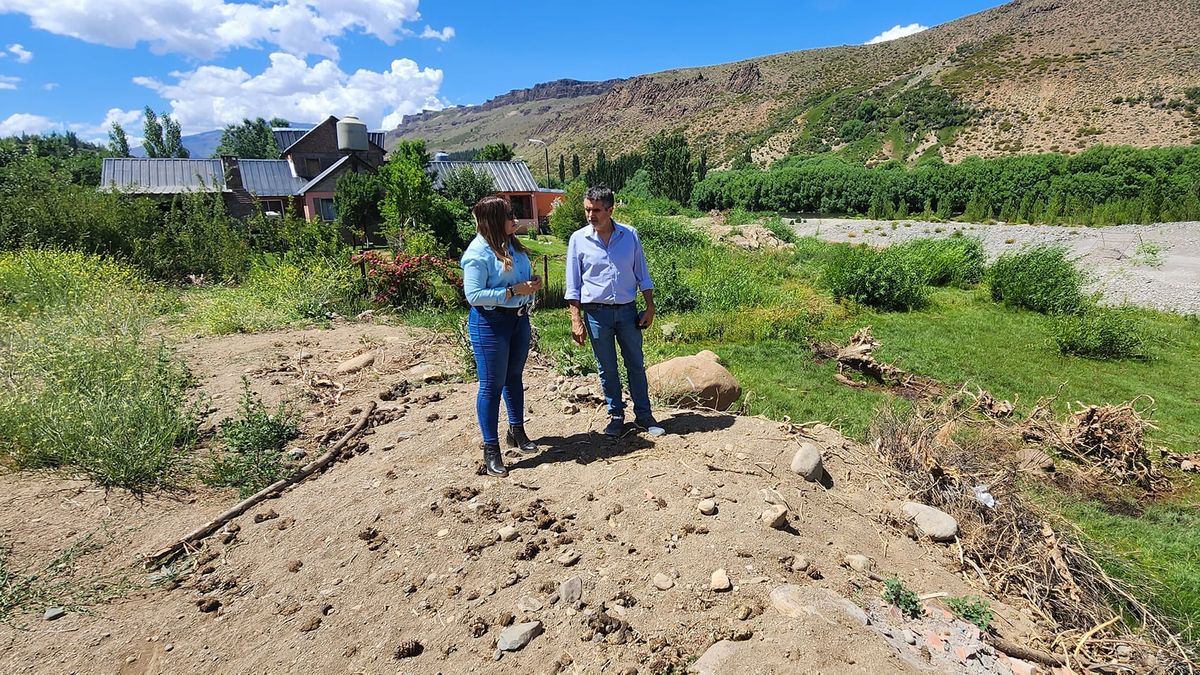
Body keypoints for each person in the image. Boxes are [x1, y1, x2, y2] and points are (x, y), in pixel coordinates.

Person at [565, 185, 665, 438]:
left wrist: (650, 306)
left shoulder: (629, 235)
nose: (591, 215)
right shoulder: (578, 240)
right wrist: (576, 320)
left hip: (627, 311)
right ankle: (616, 416)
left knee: (635, 364)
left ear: (610, 210)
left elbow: (642, 273)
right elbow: (573, 284)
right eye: (588, 209)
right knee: (606, 367)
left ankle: (644, 415)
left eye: (597, 210)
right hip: (596, 314)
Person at [461, 195, 544, 477]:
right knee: (491, 386)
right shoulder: (477, 254)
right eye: (510, 215)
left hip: (518, 320)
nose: (515, 219)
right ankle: (491, 449)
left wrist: (533, 283)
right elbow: (473, 295)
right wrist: (510, 292)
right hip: (490, 323)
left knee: (514, 378)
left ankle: (516, 431)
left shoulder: (512, 245)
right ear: (496, 220)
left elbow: (523, 277)